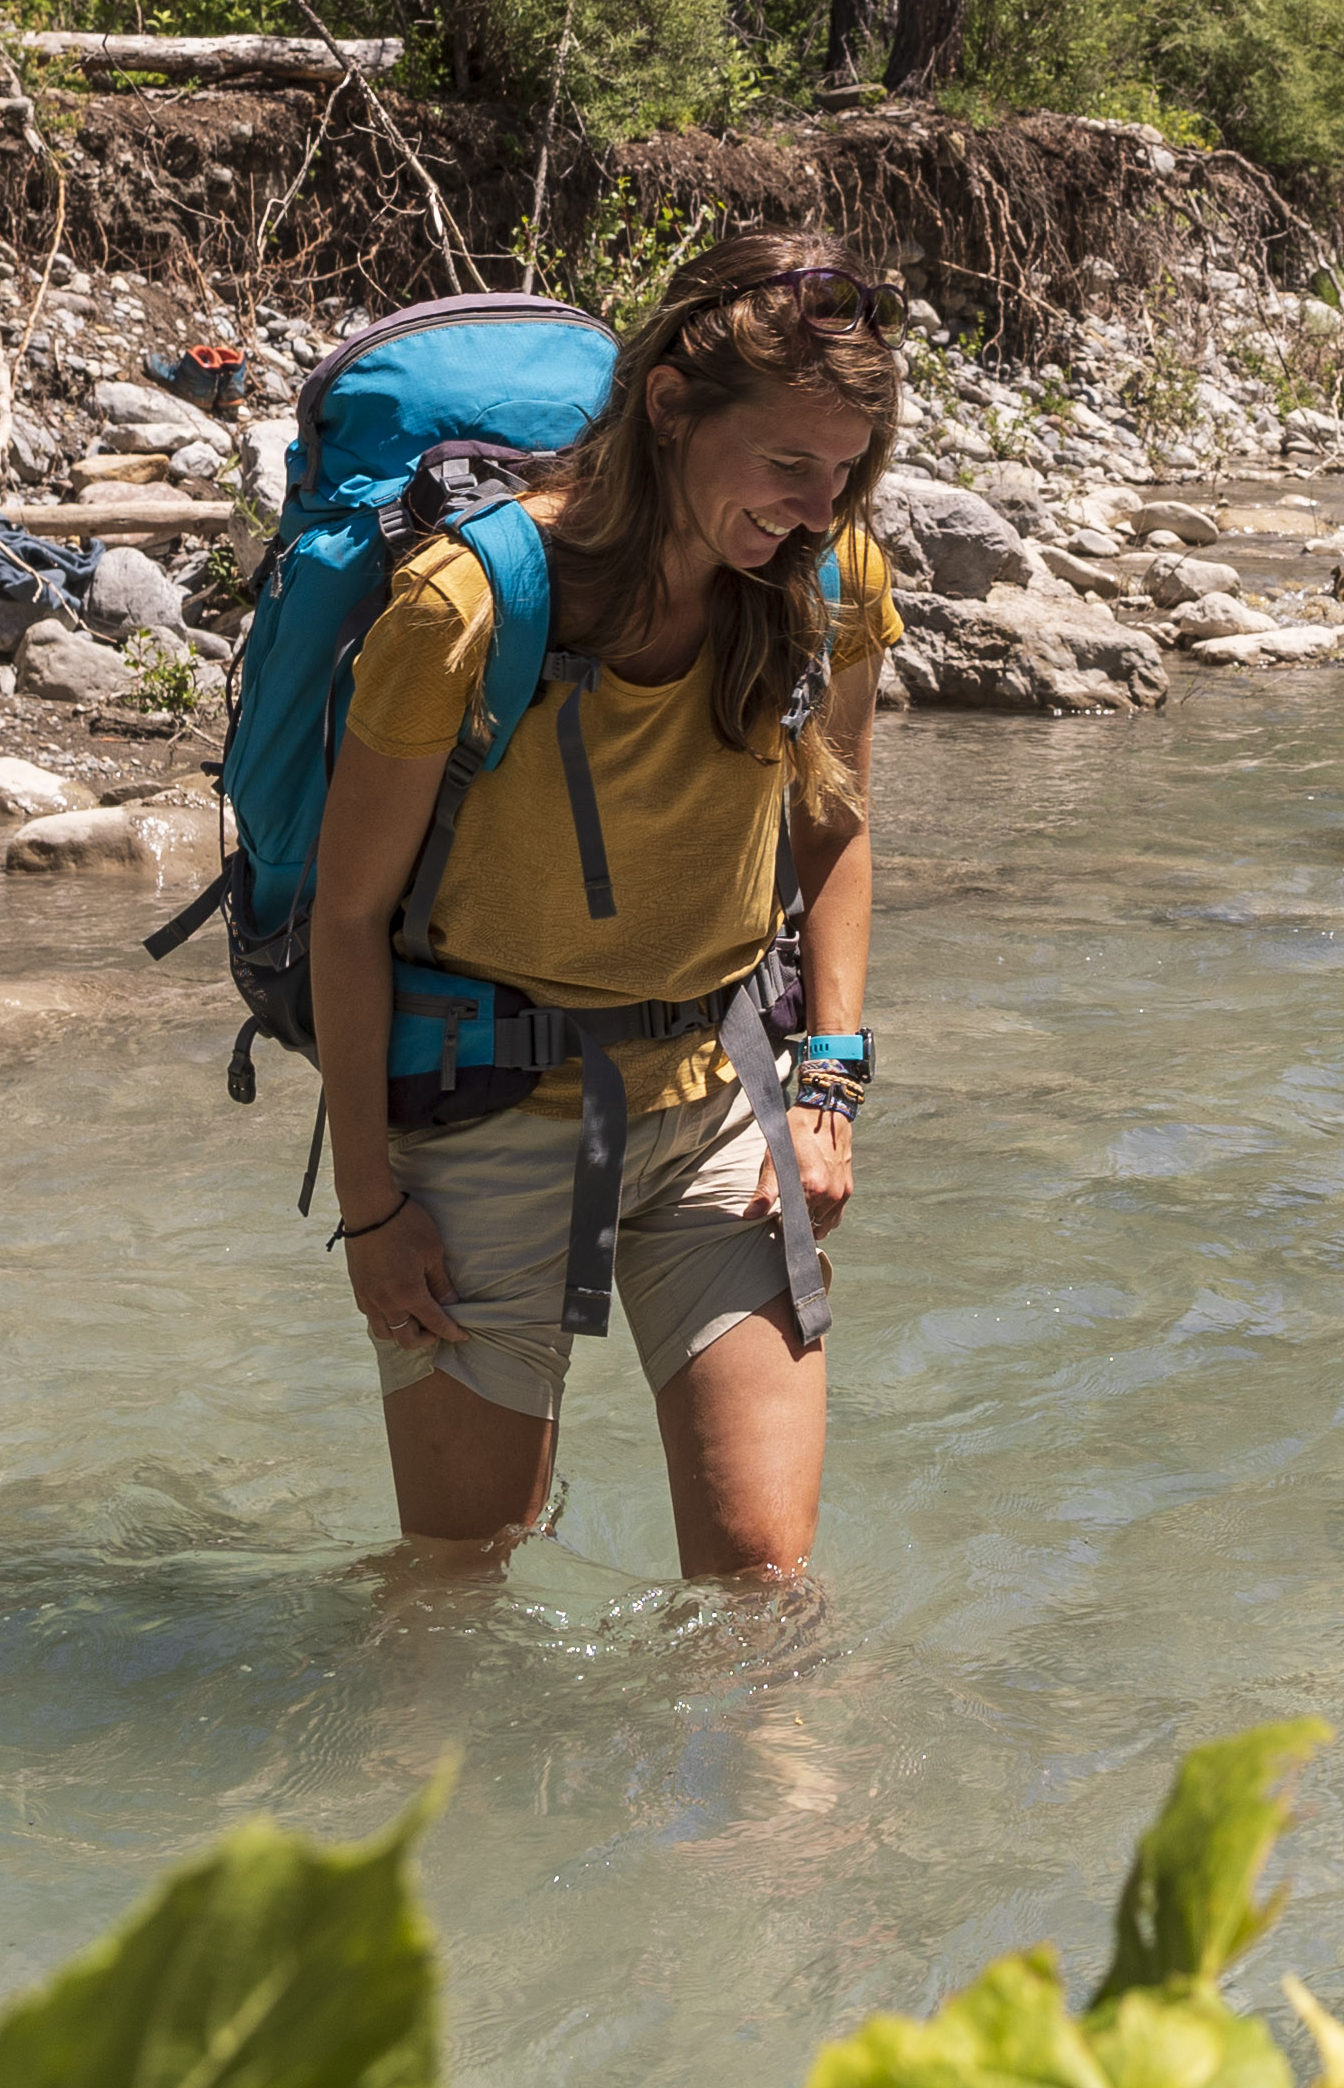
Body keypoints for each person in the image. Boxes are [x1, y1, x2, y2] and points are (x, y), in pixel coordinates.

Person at [310, 235, 906, 1576]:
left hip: (718, 1103)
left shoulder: (829, 580)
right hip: (483, 1123)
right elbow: (345, 920)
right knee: (459, 1580)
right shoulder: (467, 604)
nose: (818, 510)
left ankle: (779, 1795)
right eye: (788, 465)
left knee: (760, 1581)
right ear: (670, 406)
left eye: (845, 473)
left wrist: (834, 1076)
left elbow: (836, 833)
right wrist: (370, 1208)